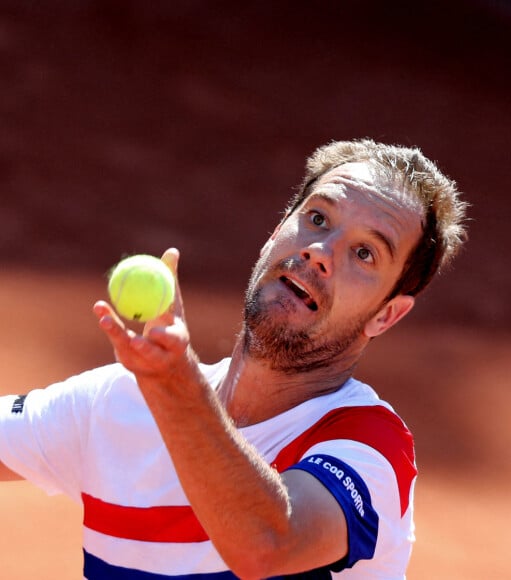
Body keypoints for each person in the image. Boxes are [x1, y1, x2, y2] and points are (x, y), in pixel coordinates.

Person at [0, 139, 467, 579]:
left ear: (386, 315)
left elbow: (267, 544)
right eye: (318, 219)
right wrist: (169, 387)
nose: (319, 252)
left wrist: (175, 388)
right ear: (276, 229)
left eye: (364, 253)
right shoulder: (116, 403)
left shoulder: (371, 448)